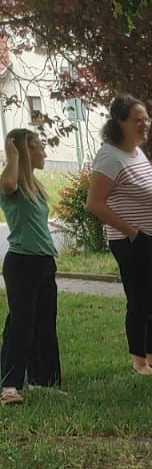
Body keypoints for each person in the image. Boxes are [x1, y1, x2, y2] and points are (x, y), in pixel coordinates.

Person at [85, 95, 152, 375]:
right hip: (134, 242)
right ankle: (139, 360)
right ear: (119, 122)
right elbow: (94, 203)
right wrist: (133, 232)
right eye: (138, 119)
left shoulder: (136, 151)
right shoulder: (110, 157)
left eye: (146, 118)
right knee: (140, 300)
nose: (145, 124)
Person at [1, 129, 61, 402]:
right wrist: (12, 154)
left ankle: (44, 380)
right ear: (26, 151)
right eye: (38, 147)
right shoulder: (12, 184)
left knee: (44, 323)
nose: (44, 153)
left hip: (44, 263)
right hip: (21, 263)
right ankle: (10, 385)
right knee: (21, 324)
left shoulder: (35, 186)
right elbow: (8, 184)